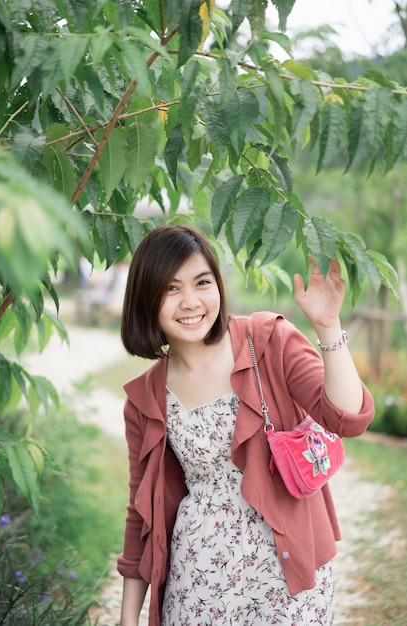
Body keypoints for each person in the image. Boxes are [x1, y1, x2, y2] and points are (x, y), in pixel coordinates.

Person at [117, 224, 374, 626]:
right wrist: (127, 618)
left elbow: (347, 417)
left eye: (202, 282)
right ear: (146, 300)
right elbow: (141, 513)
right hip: (198, 584)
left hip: (287, 584)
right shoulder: (145, 399)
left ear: (218, 284)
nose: (190, 302)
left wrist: (327, 327)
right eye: (171, 289)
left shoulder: (267, 340)